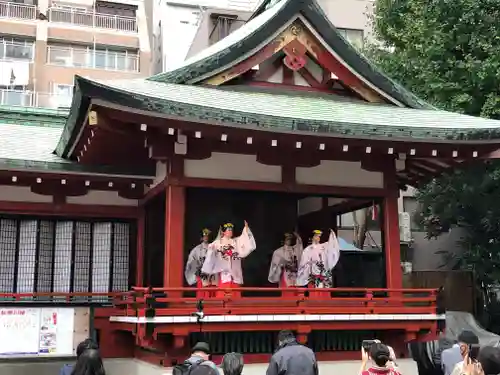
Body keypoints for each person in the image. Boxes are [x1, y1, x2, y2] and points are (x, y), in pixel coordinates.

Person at [202, 221, 256, 298]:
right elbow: (210, 255)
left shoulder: (236, 242)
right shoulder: (218, 243)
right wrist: (212, 250)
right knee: (224, 292)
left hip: (235, 271)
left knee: (235, 292)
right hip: (224, 271)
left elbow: (244, 242)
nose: (231, 231)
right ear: (223, 232)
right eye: (229, 230)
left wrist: (246, 230)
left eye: (231, 230)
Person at [296, 229, 340, 298]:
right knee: (314, 294)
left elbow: (332, 247)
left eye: (319, 236)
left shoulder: (323, 247)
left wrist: (332, 236)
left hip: (323, 274)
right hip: (314, 275)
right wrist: (310, 264)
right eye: (316, 236)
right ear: (312, 237)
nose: (318, 238)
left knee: (324, 294)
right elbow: (303, 263)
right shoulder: (308, 249)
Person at [185, 228, 217, 299]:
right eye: (204, 236)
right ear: (201, 237)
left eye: (207, 236)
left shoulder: (214, 248)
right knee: (202, 296)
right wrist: (197, 270)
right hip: (202, 275)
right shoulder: (196, 249)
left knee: (213, 295)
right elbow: (191, 262)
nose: (206, 237)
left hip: (213, 275)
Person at [268, 232, 303, 297]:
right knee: (287, 294)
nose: (289, 240)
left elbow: (299, 249)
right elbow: (275, 265)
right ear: (284, 240)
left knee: (295, 292)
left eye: (290, 239)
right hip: (285, 275)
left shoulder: (294, 250)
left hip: (294, 275)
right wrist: (281, 265)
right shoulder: (279, 251)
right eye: (287, 239)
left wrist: (298, 238)